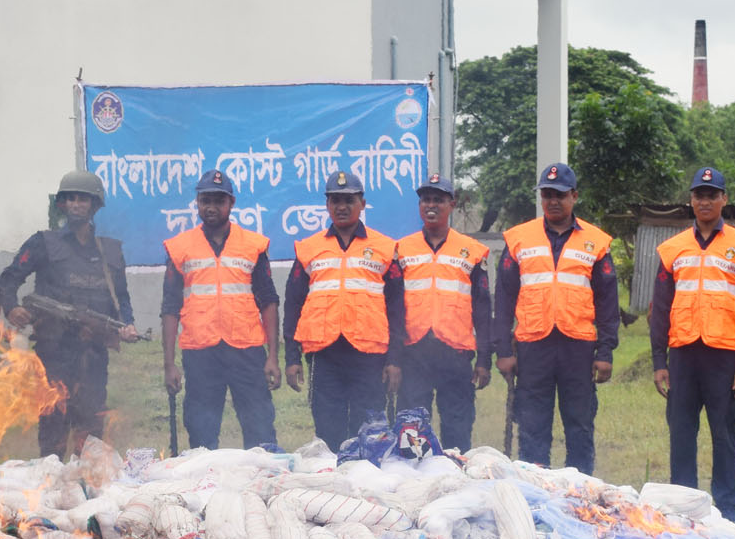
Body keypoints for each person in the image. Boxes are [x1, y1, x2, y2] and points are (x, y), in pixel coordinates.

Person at [649, 166, 735, 518]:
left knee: (724, 434)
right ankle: (684, 509)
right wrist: (659, 362)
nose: (705, 201)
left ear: (724, 199)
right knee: (682, 433)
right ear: (691, 201)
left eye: (712, 195)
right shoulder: (672, 249)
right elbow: (661, 308)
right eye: (699, 195)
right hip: (683, 354)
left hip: (725, 357)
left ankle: (726, 510)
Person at [0, 169, 139, 459]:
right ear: (62, 204)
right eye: (70, 199)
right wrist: (12, 308)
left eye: (83, 200)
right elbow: (9, 278)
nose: (76, 205)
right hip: (53, 353)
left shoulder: (109, 252)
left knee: (90, 430)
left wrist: (127, 324)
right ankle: (50, 491)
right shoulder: (43, 242)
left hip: (93, 355)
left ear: (94, 205)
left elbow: (121, 297)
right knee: (53, 426)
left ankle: (86, 490)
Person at [494, 162, 619, 474]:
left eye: (560, 195)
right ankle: (536, 493)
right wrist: (504, 352)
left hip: (578, 348)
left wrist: (605, 353)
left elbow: (608, 303)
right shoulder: (518, 239)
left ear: (574, 196)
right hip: (533, 347)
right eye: (546, 194)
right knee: (533, 427)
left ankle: (579, 496)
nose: (552, 200)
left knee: (579, 426)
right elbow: (505, 298)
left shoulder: (597, 242)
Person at [282, 170, 405, 450]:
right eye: (335, 200)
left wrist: (395, 359)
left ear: (362, 203)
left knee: (369, 429)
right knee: (328, 430)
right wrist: (292, 357)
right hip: (324, 355)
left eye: (348, 200)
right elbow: (293, 305)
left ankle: (366, 486)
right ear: (327, 205)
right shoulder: (309, 248)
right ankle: (334, 486)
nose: (341, 206)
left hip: (369, 355)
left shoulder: (385, 249)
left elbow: (397, 309)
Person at [160, 168, 281, 449]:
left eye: (218, 201)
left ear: (231, 203)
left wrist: (273, 356)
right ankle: (205, 489)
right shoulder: (180, 248)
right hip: (200, 353)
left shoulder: (253, 245)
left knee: (260, 430)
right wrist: (169, 364)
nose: (211, 207)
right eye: (205, 201)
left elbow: (269, 301)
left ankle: (262, 486)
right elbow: (169, 307)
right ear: (197, 203)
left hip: (247, 350)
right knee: (201, 435)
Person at [394, 173, 492, 450]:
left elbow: (483, 309)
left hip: (456, 353)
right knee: (412, 430)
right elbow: (393, 308)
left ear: (452, 204)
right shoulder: (401, 250)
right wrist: (394, 357)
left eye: (438, 199)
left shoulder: (472, 251)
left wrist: (484, 359)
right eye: (426, 200)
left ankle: (455, 480)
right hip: (414, 352)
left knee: (457, 429)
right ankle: (413, 483)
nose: (431, 205)